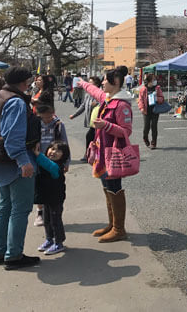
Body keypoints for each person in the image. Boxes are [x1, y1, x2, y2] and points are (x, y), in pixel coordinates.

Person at [77, 65, 133, 243]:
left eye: (105, 81)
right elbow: (95, 91)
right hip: (102, 153)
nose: (102, 83)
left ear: (115, 82)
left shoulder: (121, 105)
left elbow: (126, 131)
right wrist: (83, 84)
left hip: (113, 154)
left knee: (114, 187)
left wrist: (106, 126)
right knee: (107, 187)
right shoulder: (108, 99)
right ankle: (112, 225)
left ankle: (119, 229)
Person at [0, 66, 40, 270]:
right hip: (15, 162)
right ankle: (13, 255)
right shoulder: (16, 102)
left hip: (1, 161)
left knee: (4, 206)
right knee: (20, 209)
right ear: (24, 82)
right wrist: (24, 161)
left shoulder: (1, 95)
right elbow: (13, 137)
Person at [33, 104, 70, 227]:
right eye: (43, 117)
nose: (46, 120)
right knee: (39, 187)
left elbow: (65, 144)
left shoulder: (58, 125)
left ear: (53, 112)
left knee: (54, 188)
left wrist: (66, 162)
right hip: (38, 161)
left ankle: (54, 213)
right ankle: (40, 213)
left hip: (54, 162)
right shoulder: (36, 124)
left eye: (49, 116)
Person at [34, 140, 70, 255]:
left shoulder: (58, 166)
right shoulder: (46, 162)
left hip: (56, 198)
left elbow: (50, 166)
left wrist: (38, 154)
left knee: (55, 221)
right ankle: (49, 239)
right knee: (47, 220)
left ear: (64, 155)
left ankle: (59, 243)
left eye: (58, 151)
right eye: (52, 148)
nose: (54, 152)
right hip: (46, 197)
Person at [69, 76, 102, 162]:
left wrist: (98, 103)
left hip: (99, 121)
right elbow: (83, 106)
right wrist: (74, 115)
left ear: (97, 84)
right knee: (92, 137)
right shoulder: (87, 94)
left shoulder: (100, 94)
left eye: (91, 83)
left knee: (91, 136)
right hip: (91, 122)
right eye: (88, 82)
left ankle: (89, 155)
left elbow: (105, 103)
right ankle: (91, 155)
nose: (88, 84)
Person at [137, 74, 164, 149]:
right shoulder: (143, 89)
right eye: (153, 79)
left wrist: (157, 99)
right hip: (146, 111)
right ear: (149, 81)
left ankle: (153, 143)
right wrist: (142, 108)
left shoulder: (157, 88)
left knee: (154, 127)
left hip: (155, 110)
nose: (155, 81)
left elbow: (162, 98)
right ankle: (145, 138)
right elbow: (140, 99)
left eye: (155, 79)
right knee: (146, 127)